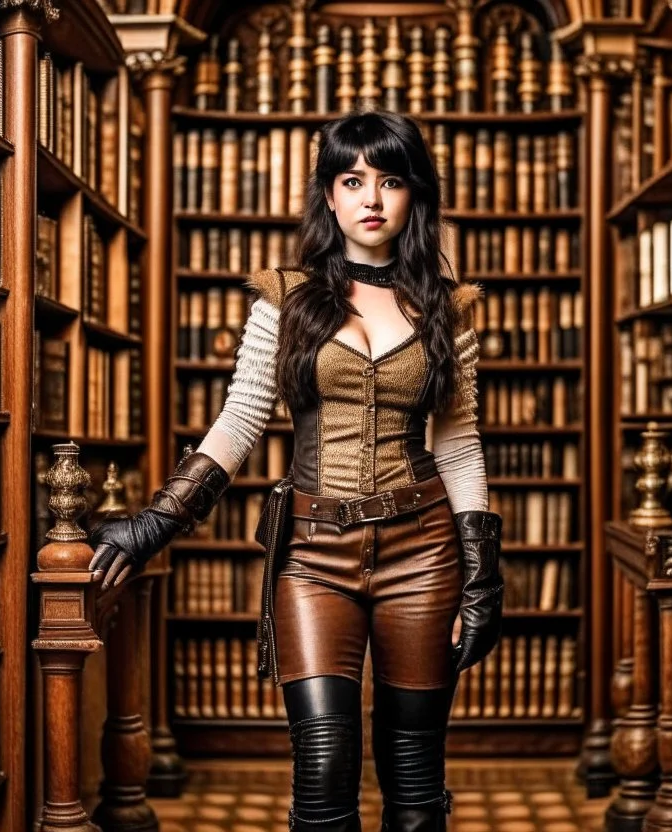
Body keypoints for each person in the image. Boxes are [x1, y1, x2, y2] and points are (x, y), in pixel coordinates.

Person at [88, 111, 504, 832]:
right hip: (313, 553)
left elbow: (460, 443)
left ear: (414, 197)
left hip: (423, 551)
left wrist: (482, 572)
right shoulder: (284, 299)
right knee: (323, 761)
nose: (371, 198)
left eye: (390, 180)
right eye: (353, 180)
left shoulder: (449, 306)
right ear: (330, 196)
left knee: (414, 771)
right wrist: (154, 522)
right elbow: (242, 418)